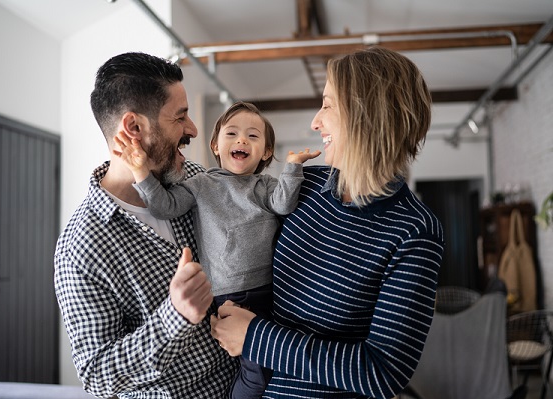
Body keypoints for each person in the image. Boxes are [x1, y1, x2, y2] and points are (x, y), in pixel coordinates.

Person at [210, 46, 445, 399]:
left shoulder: (414, 231)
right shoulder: (305, 186)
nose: (315, 121)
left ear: (365, 113)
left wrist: (255, 337)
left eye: (328, 104)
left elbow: (383, 372)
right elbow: (228, 192)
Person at [54, 52, 238, 399]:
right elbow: (97, 378)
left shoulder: (194, 180)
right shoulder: (81, 249)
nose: (193, 129)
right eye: (180, 116)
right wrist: (175, 316)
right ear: (134, 128)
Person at [113, 101, 320, 399]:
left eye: (253, 136)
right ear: (215, 145)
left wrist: (293, 167)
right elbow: (164, 206)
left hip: (272, 292)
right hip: (228, 295)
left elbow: (283, 204)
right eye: (232, 133)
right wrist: (141, 172)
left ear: (266, 152)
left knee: (271, 364)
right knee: (256, 371)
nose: (241, 140)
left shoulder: (265, 186)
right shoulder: (199, 184)